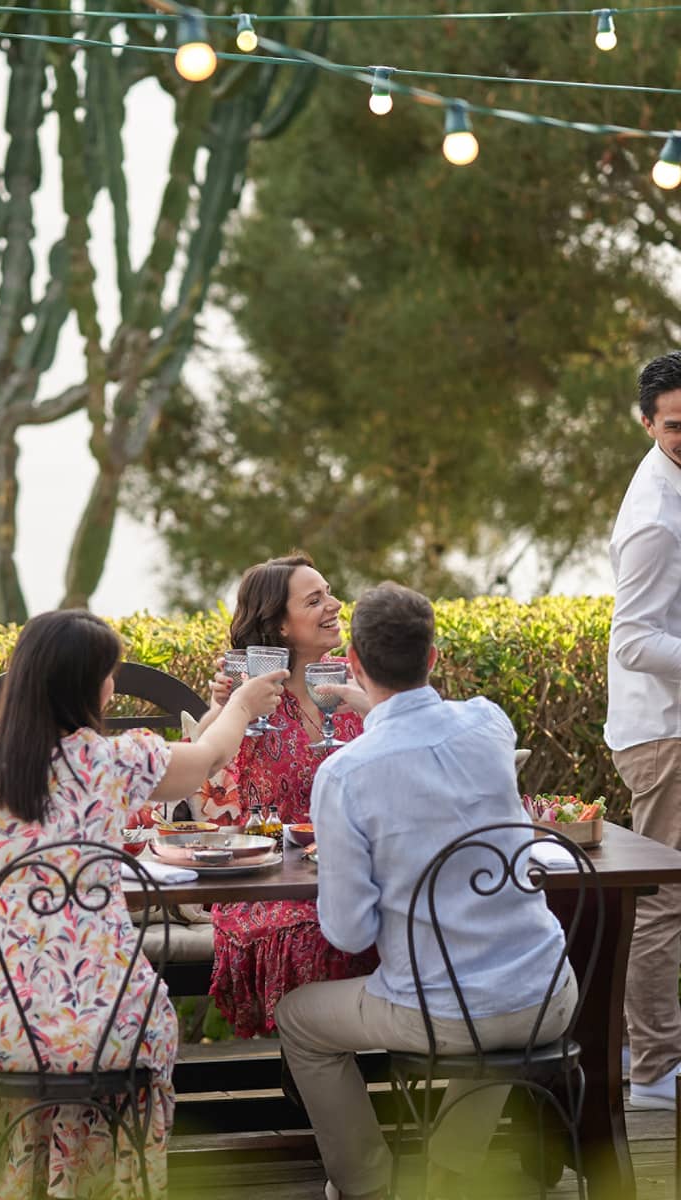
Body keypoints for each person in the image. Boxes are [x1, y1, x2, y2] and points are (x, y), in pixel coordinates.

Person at [0, 609, 286, 1200]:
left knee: (21, 1081)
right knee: (131, 1051)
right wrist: (240, 705)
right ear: (95, 685)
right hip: (112, 1025)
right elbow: (207, 760)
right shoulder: (118, 761)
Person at [275, 583, 576, 1200]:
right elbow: (425, 727)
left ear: (353, 662)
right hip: (551, 992)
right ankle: (451, 1177)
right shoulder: (489, 724)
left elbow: (351, 933)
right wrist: (375, 702)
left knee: (298, 1019)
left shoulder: (345, 772)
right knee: (477, 1006)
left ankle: (369, 1186)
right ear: (434, 657)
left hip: (449, 1016)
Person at [196, 552, 378, 1037]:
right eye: (314, 600)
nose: (334, 606)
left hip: (353, 870)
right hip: (269, 880)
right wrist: (224, 707)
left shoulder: (354, 679)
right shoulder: (248, 697)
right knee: (312, 935)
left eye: (330, 593)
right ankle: (314, 1072)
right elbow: (206, 785)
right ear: (278, 627)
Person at [605, 350, 681, 1110]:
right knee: (663, 899)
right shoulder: (655, 517)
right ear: (646, 422)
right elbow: (633, 641)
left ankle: (660, 1054)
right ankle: (655, 1073)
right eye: (675, 426)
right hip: (666, 735)